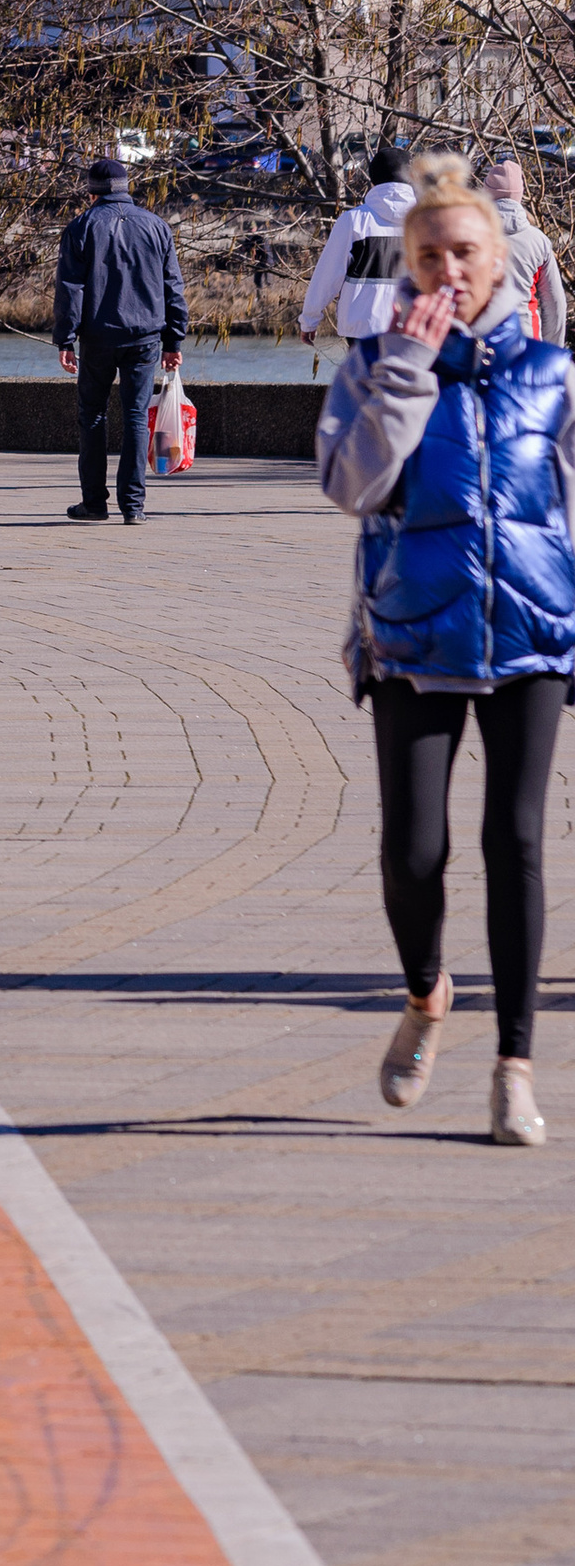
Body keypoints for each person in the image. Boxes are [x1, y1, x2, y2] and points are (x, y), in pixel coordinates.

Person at [316, 155, 567, 1147]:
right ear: (409, 266)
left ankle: (513, 1066)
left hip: (530, 634)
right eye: (429, 257)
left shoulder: (554, 373)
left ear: (501, 257)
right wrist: (408, 375)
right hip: (411, 634)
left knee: (516, 844)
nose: (448, 270)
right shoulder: (374, 363)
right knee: (413, 852)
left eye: (465, 252)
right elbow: (352, 487)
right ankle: (426, 995)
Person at [53, 151, 187, 525]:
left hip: (97, 336)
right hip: (145, 336)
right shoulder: (156, 226)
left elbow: (70, 288)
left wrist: (65, 339)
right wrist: (174, 341)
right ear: (127, 189)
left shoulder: (82, 226)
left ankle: (94, 503)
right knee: (136, 416)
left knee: (93, 416)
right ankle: (133, 505)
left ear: (91, 193)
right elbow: (173, 287)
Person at [299, 136, 415, 345]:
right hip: (413, 324)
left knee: (365, 378)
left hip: (363, 325)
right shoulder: (427, 223)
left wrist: (309, 320)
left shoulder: (354, 221)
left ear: (373, 179)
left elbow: (328, 274)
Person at [485, 151, 565, 344]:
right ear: (519, 196)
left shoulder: (468, 236)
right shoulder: (538, 241)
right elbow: (555, 304)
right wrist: (553, 350)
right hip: (527, 339)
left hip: (479, 343)